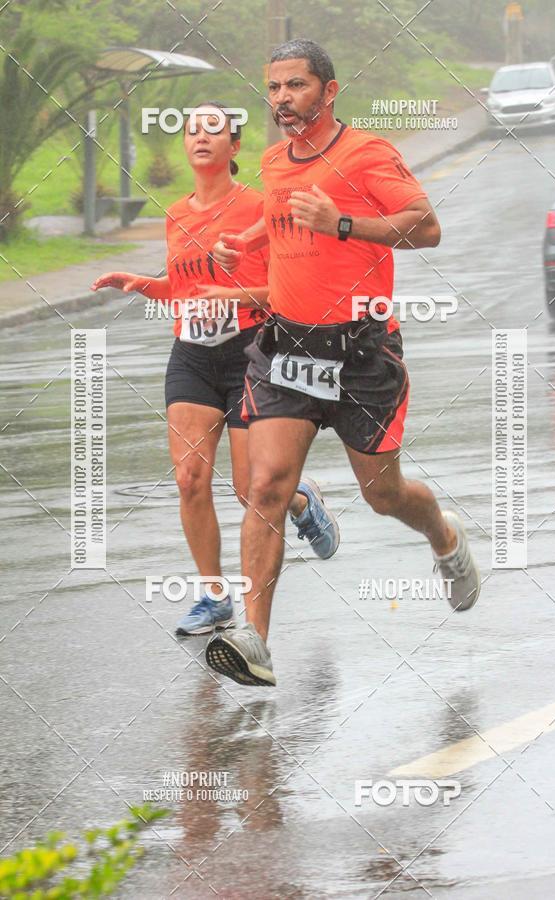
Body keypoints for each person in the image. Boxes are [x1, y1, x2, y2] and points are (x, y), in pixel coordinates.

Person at [205, 43, 481, 687]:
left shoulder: (367, 154)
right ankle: (255, 641)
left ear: (328, 93)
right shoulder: (274, 161)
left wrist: (346, 222)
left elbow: (426, 227)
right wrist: (243, 242)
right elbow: (283, 224)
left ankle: (444, 537)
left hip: (361, 351)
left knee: (383, 494)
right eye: (273, 89)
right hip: (286, 348)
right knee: (266, 486)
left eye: (295, 87)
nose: (281, 100)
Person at [91, 101, 339, 636]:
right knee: (189, 478)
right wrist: (144, 284)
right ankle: (214, 596)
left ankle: (301, 500)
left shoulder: (258, 206)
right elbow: (185, 291)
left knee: (252, 490)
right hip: (193, 354)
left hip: (252, 349)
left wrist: (235, 291)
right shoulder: (176, 212)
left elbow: (287, 289)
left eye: (213, 129)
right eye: (190, 129)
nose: (200, 137)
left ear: (234, 147)